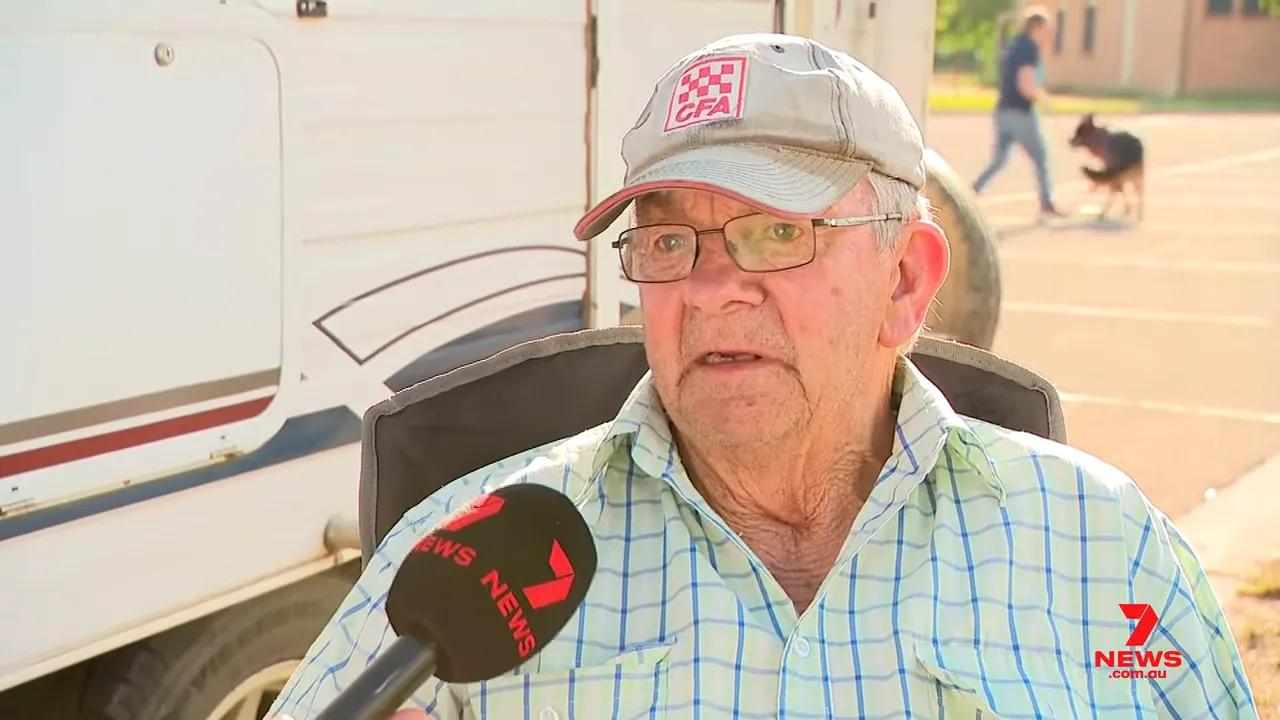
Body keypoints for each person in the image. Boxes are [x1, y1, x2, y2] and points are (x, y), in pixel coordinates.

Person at [268, 33, 1257, 719]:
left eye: (774, 232)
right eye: (665, 241)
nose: (706, 290)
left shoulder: (1098, 544)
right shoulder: (467, 561)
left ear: (903, 278)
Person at [972, 7, 1067, 220]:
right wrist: (1041, 98)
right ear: (1037, 28)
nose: (1049, 36)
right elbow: (1025, 83)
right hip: (1020, 114)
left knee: (1000, 158)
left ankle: (973, 190)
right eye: (1047, 30)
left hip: (1003, 110)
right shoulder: (1029, 49)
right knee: (1041, 156)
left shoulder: (1015, 44)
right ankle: (1046, 203)